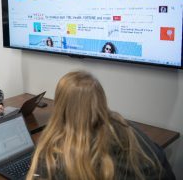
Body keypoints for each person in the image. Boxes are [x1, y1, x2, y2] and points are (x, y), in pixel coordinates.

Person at [27, 71, 175, 180]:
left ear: (61, 105)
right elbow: (160, 162)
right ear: (100, 99)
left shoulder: (55, 155)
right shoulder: (128, 129)